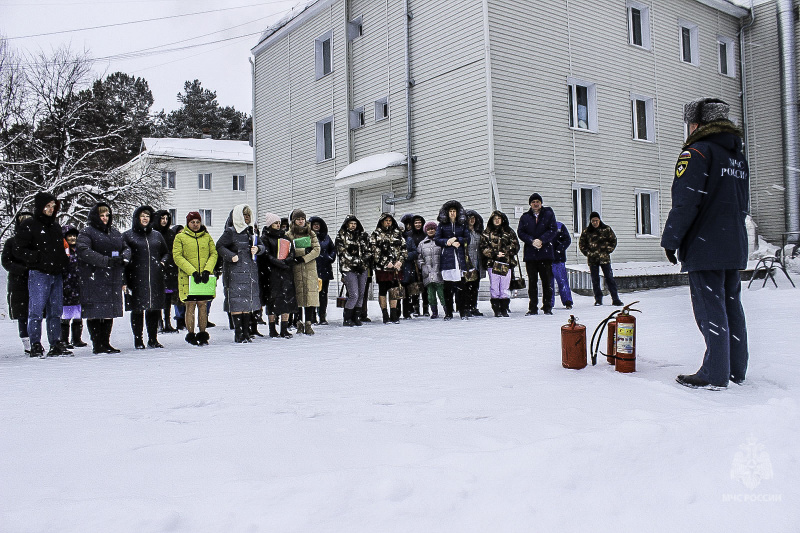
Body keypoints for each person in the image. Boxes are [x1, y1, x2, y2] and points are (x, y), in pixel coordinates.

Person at [662, 97, 750, 389]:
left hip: (706, 244)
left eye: (689, 124)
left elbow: (686, 202)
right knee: (730, 305)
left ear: (696, 124)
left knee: (710, 309)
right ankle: (734, 368)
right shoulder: (736, 156)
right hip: (733, 242)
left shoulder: (697, 152)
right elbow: (742, 203)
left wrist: (671, 239)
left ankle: (714, 373)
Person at [13, 192, 71, 357]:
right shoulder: (29, 225)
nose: (51, 209)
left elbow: (62, 248)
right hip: (39, 273)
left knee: (55, 311)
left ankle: (55, 343)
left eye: (53, 206)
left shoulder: (55, 226)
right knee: (36, 311)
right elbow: (18, 248)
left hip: (56, 274)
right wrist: (35, 257)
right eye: (48, 206)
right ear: (40, 207)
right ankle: (36, 344)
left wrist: (63, 262)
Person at [76, 202, 130, 354]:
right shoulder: (87, 232)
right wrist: (105, 261)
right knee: (94, 312)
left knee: (108, 312)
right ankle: (97, 343)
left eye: (107, 215)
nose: (105, 218)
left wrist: (123, 258)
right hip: (94, 277)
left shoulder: (114, 232)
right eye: (102, 215)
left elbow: (125, 247)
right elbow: (83, 251)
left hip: (112, 278)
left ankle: (105, 342)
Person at [216, 204, 265, 343]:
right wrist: (231, 256)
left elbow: (262, 246)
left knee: (247, 303)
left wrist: (258, 249)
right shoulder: (231, 232)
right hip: (235, 272)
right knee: (237, 302)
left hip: (250, 272)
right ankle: (239, 333)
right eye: (244, 215)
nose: (247, 218)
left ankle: (247, 332)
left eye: (249, 215)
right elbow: (219, 246)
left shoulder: (252, 232)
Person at [123, 206, 169, 349]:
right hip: (136, 277)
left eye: (147, 216)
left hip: (155, 278)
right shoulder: (127, 236)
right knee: (137, 309)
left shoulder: (156, 235)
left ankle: (153, 339)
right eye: (142, 216)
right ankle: (138, 339)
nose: (145, 218)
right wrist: (123, 280)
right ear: (137, 218)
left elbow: (166, 253)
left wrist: (162, 263)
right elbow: (123, 260)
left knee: (154, 309)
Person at [173, 211, 218, 346]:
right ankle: (191, 333)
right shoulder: (180, 237)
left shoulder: (207, 237)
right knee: (190, 305)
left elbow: (213, 254)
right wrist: (192, 271)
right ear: (188, 223)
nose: (195, 225)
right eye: (192, 222)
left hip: (203, 277)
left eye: (198, 222)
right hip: (189, 278)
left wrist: (207, 270)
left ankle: (203, 333)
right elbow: (177, 256)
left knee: (202, 304)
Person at [517, 193, 558, 315]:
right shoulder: (525, 217)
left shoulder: (548, 215)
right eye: (533, 201)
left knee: (546, 282)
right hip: (531, 255)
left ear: (541, 203)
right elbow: (520, 232)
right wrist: (531, 241)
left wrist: (542, 240)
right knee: (532, 282)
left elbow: (553, 229)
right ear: (530, 204)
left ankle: (547, 306)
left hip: (545, 254)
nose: (536, 204)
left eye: (538, 201)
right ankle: (532, 307)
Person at [259, 213, 296, 338]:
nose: (278, 225)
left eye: (279, 223)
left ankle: (284, 328)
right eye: (275, 223)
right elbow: (266, 255)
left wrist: (286, 261)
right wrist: (278, 263)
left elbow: (292, 251)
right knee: (272, 300)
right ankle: (272, 328)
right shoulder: (265, 238)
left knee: (286, 300)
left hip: (285, 273)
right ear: (270, 224)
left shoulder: (285, 237)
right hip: (272, 274)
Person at [2, 211, 33, 355]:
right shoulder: (11, 242)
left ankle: (36, 341)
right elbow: (6, 262)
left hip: (36, 282)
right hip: (18, 282)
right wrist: (23, 270)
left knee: (36, 313)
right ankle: (27, 344)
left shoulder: (37, 242)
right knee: (23, 315)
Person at [434, 200, 470, 320]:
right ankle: (448, 312)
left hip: (459, 259)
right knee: (447, 287)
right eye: (450, 211)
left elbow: (467, 239)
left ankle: (462, 311)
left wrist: (457, 239)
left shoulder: (462, 225)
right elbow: (437, 239)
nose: (453, 213)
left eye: (454, 211)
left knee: (461, 287)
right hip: (447, 259)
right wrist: (447, 242)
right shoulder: (442, 225)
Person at [479, 210, 520, 317]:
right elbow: (483, 247)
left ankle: (504, 308)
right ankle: (496, 309)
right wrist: (494, 253)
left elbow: (516, 246)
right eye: (495, 219)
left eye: (499, 218)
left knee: (505, 287)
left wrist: (506, 252)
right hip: (492, 263)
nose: (497, 221)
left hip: (506, 263)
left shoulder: (509, 231)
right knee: (494, 286)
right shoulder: (486, 232)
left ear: (502, 220)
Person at [286, 209, 321, 335]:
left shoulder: (311, 233)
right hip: (296, 268)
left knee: (310, 296)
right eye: (298, 219)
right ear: (294, 220)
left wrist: (304, 257)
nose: (301, 221)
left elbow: (316, 250)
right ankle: (299, 323)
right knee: (298, 297)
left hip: (310, 268)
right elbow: (287, 250)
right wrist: (299, 254)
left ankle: (309, 323)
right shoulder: (289, 234)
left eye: (302, 219)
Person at [579, 212, 624, 307]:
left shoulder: (606, 229)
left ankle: (615, 299)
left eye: (596, 220)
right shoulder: (586, 232)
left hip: (604, 259)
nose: (595, 223)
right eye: (593, 221)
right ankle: (598, 299)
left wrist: (608, 250)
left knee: (609, 278)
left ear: (599, 220)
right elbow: (582, 244)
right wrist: (588, 253)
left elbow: (613, 240)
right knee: (595, 280)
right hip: (592, 260)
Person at [370, 213, 408, 324]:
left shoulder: (398, 234)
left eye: (390, 220)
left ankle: (393, 313)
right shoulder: (376, 234)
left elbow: (404, 249)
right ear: (381, 222)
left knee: (395, 290)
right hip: (382, 269)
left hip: (396, 268)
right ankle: (385, 313)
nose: (388, 222)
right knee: (383, 291)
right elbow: (374, 251)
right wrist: (386, 262)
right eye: (386, 220)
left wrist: (400, 261)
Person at [335, 214, 371, 327]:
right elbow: (343, 254)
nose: (353, 226)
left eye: (355, 224)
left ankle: (356, 316)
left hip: (363, 268)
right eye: (351, 223)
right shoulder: (341, 236)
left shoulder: (363, 236)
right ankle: (347, 318)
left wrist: (363, 262)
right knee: (353, 294)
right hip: (348, 268)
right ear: (347, 224)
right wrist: (356, 262)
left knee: (361, 294)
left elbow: (369, 250)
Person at [61, 225, 87, 349]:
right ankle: (64, 339)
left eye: (74, 236)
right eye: (69, 236)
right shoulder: (63, 251)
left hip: (79, 286)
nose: (72, 238)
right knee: (66, 315)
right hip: (66, 286)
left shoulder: (80, 250)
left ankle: (77, 338)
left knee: (78, 314)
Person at [153, 210, 178, 333]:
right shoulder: (153, 232)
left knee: (167, 297)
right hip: (156, 268)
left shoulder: (170, 233)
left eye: (166, 219)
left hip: (169, 270)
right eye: (162, 218)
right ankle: (158, 322)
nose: (164, 221)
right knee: (157, 297)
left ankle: (167, 321)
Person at [310, 216, 336, 325]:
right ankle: (312, 317)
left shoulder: (326, 237)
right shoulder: (308, 237)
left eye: (318, 224)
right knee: (312, 294)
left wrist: (330, 258)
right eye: (314, 224)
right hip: (312, 269)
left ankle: (322, 316)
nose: (316, 226)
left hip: (325, 269)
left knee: (323, 294)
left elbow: (333, 249)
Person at [417, 221, 445, 319]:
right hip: (427, 273)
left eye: (432, 229)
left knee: (442, 293)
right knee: (430, 295)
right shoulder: (422, 244)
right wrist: (422, 266)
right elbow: (419, 258)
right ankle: (434, 311)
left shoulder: (440, 241)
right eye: (428, 229)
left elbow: (444, 255)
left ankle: (446, 309)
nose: (431, 231)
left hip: (439, 272)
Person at [400, 214, 426, 318]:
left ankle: (423, 307)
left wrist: (406, 255)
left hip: (416, 264)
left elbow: (413, 251)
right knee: (406, 289)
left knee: (418, 287)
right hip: (407, 266)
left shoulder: (419, 235)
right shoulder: (409, 235)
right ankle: (408, 309)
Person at [464, 210, 486, 317]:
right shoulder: (464, 232)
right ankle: (466, 306)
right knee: (467, 286)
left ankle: (474, 306)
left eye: (473, 218)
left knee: (475, 287)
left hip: (478, 263)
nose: (472, 220)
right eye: (469, 218)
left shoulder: (478, 233)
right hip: (468, 264)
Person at [549, 220, 574, 310]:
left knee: (562, 281)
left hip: (558, 259)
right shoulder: (541, 226)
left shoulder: (559, 226)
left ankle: (567, 301)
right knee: (548, 283)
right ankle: (549, 302)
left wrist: (559, 249)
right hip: (546, 260)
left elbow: (567, 239)